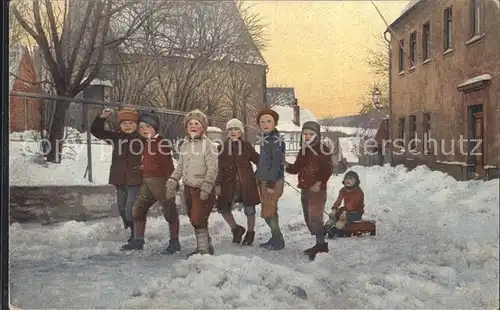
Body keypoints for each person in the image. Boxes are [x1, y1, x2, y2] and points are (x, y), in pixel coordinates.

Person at [121, 111, 180, 253]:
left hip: (161, 182)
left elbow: (167, 165)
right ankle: (138, 240)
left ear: (155, 127)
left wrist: (172, 182)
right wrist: (143, 167)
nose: (143, 129)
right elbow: (149, 161)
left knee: (169, 211)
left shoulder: (162, 143)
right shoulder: (147, 143)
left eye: (147, 126)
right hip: (147, 182)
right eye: (141, 127)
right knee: (138, 209)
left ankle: (174, 242)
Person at [166, 109, 218, 256]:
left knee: (197, 218)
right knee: (194, 217)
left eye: (197, 123)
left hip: (203, 188)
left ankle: (203, 250)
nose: (193, 126)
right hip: (188, 188)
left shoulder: (209, 146)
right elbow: (181, 166)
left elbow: (213, 168)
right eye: (190, 123)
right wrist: (173, 180)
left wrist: (207, 186)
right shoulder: (185, 145)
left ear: (203, 127)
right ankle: (206, 244)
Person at [90, 107, 142, 242]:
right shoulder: (116, 137)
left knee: (131, 207)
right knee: (122, 208)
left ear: (136, 124)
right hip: (120, 179)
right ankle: (130, 229)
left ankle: (136, 234)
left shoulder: (142, 139)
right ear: (120, 125)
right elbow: (96, 131)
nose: (128, 126)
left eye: (131, 123)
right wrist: (102, 117)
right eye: (124, 123)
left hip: (136, 179)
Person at [286, 121, 333, 260]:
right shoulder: (303, 150)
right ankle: (321, 238)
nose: (307, 136)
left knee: (315, 217)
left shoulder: (323, 149)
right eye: (305, 133)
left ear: (317, 135)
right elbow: (295, 169)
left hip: (318, 190)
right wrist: (285, 165)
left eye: (311, 134)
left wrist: (319, 182)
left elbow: (328, 170)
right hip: (305, 189)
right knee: (308, 217)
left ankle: (321, 245)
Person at [215, 118, 260, 246]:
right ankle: (236, 229)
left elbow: (259, 161)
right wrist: (217, 184)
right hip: (228, 184)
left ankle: (250, 232)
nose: (233, 132)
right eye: (230, 129)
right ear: (227, 132)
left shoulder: (246, 146)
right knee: (222, 207)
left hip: (246, 184)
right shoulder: (222, 148)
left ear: (241, 132)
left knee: (249, 209)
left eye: (236, 129)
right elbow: (218, 168)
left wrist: (256, 175)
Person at [255, 108, 286, 250]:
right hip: (265, 180)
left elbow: (277, 162)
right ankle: (275, 238)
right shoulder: (266, 139)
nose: (265, 124)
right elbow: (264, 161)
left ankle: (278, 239)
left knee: (268, 213)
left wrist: (271, 181)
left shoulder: (276, 140)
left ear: (275, 123)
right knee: (270, 210)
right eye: (262, 122)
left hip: (272, 182)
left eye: (269, 121)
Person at [326, 170, 365, 238]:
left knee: (343, 218)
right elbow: (339, 200)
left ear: (356, 181)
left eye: (351, 178)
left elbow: (353, 203)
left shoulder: (358, 192)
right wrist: (334, 208)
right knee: (334, 215)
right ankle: (327, 226)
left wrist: (345, 211)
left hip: (356, 212)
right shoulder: (343, 190)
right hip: (346, 209)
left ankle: (335, 230)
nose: (348, 180)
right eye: (346, 178)